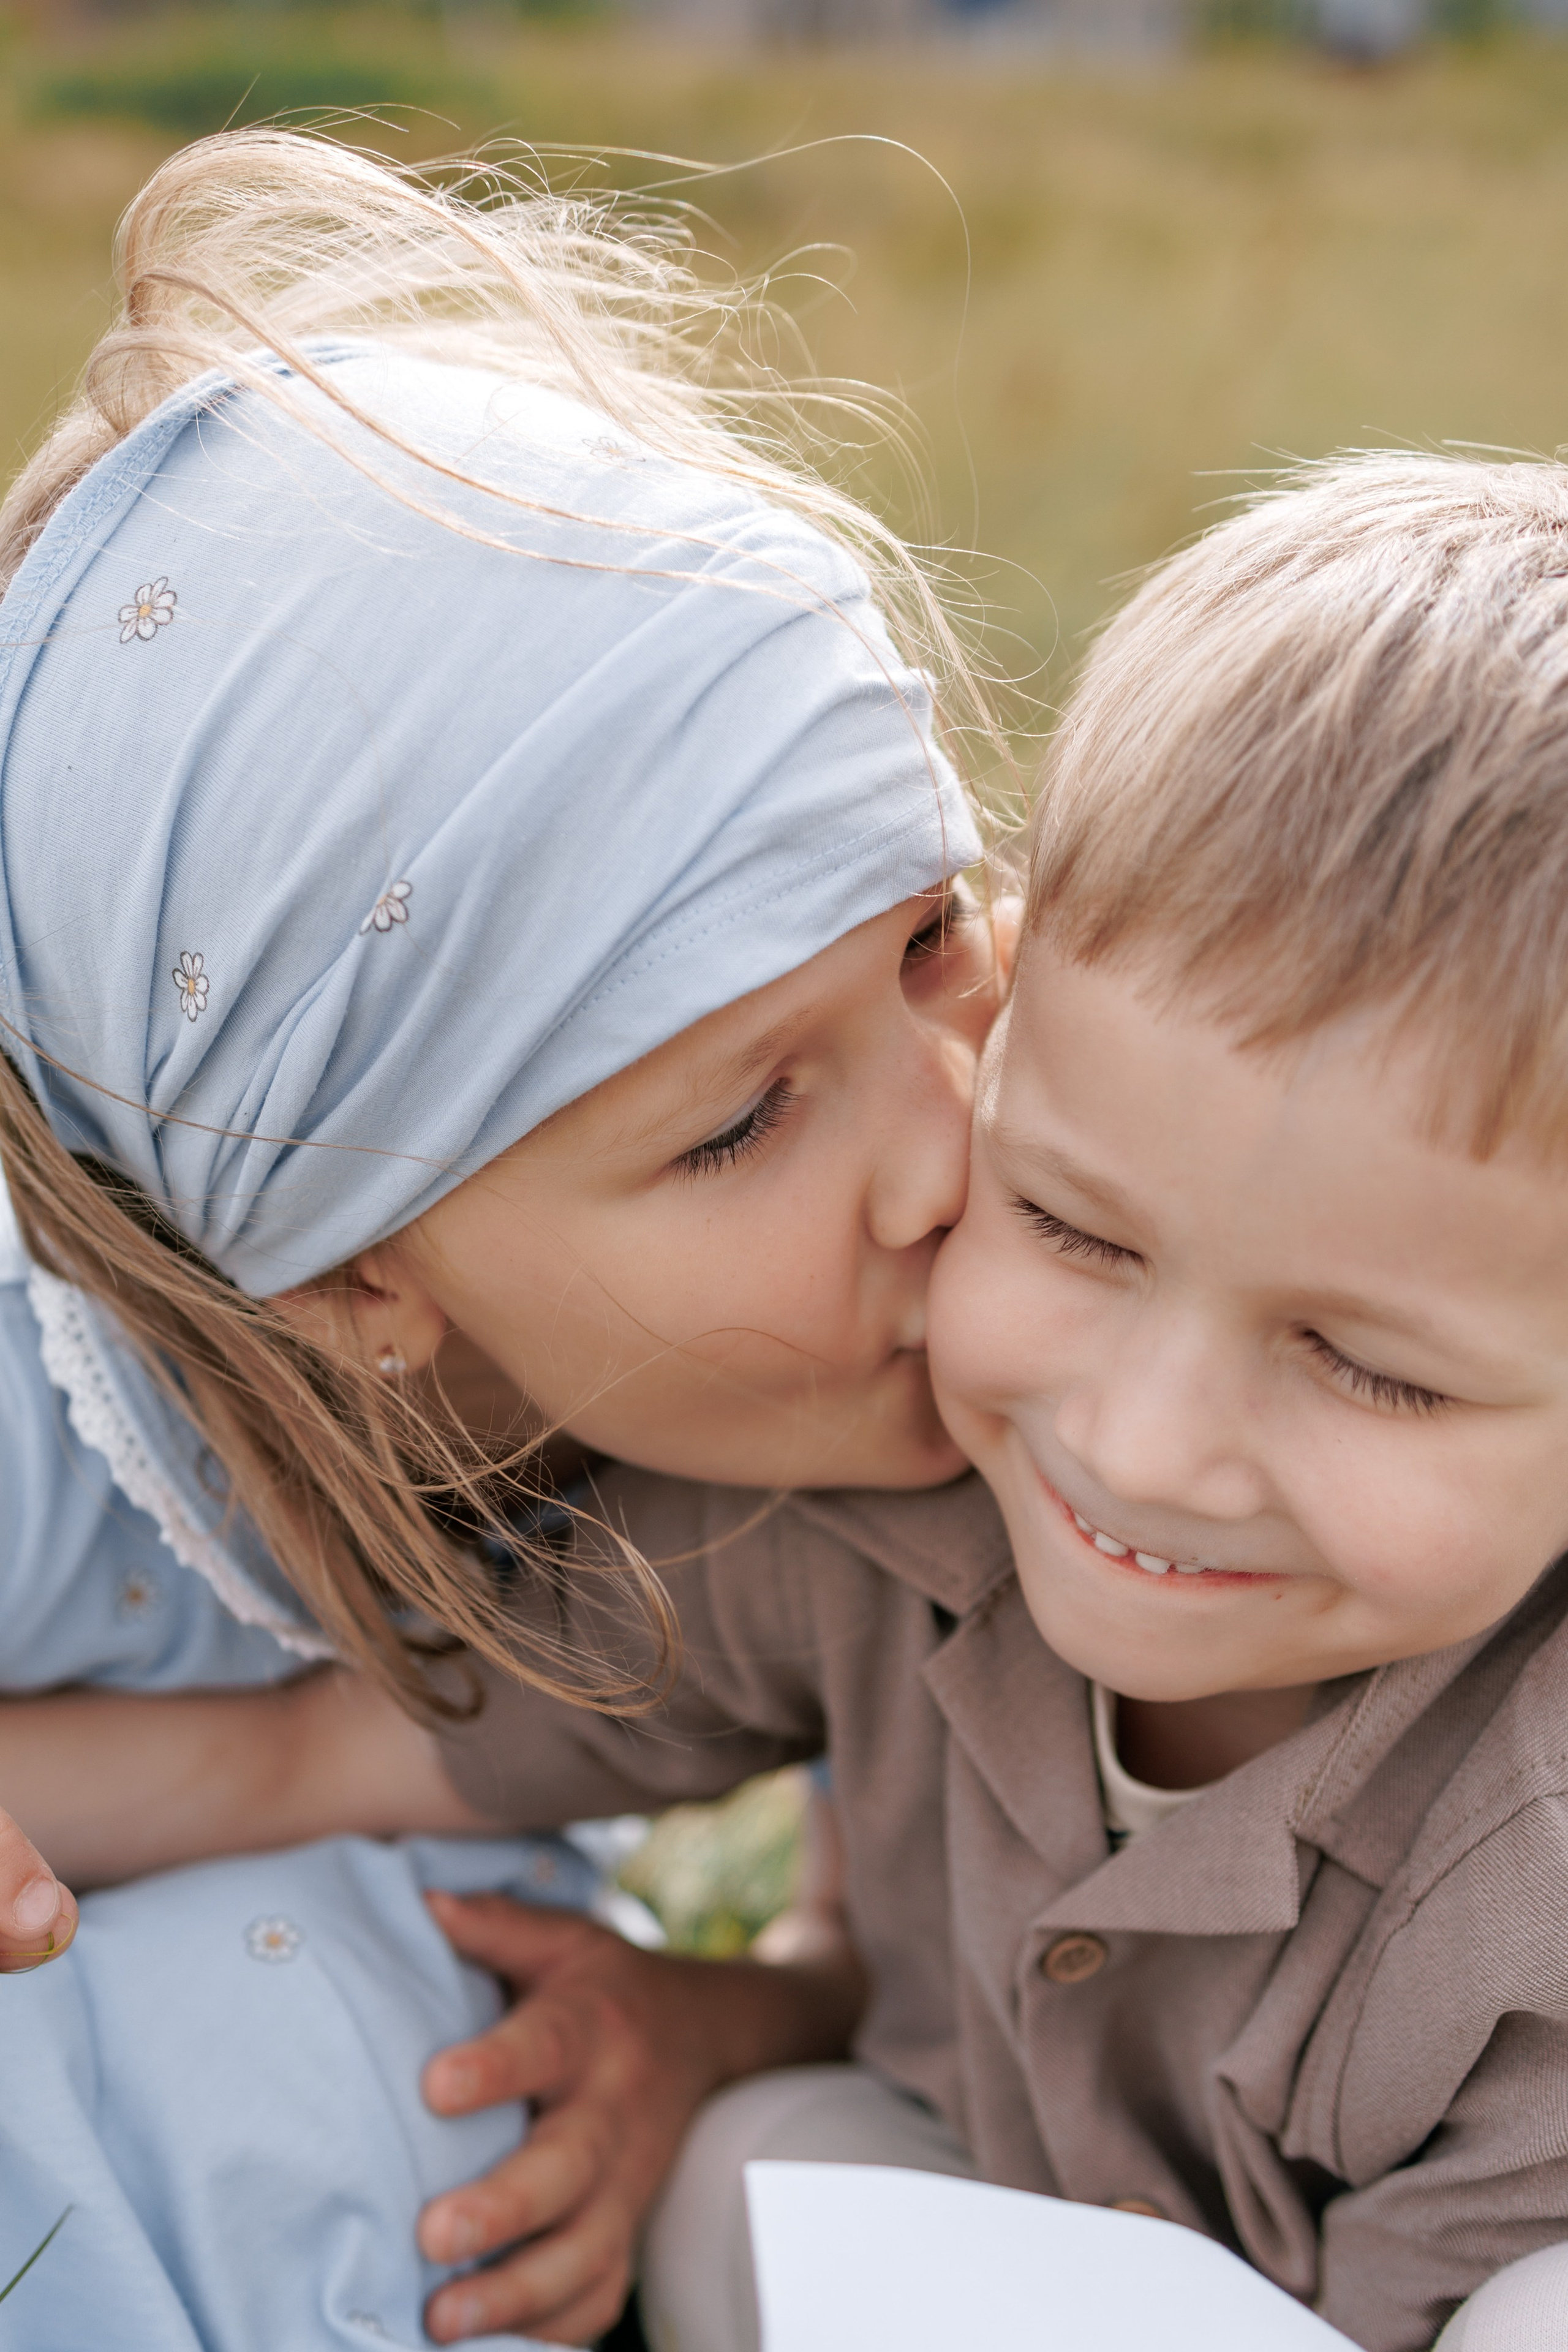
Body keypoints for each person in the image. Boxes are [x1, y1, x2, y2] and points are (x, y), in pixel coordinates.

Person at [51, 448, 1568, 2352]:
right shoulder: (877, 1518)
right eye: (1075, 1232)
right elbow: (313, 1756)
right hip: (995, 2240)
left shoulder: (1539, 1865)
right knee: (755, 2165)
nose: (1145, 1444)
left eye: (1368, 1366)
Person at [0, 123, 1010, 2348]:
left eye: (936, 929)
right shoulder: (42, 1395)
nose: (958, 1145)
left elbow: (883, 1952)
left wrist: (713, 2025)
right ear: (362, 1268)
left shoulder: (946, 1380)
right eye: (745, 1117)